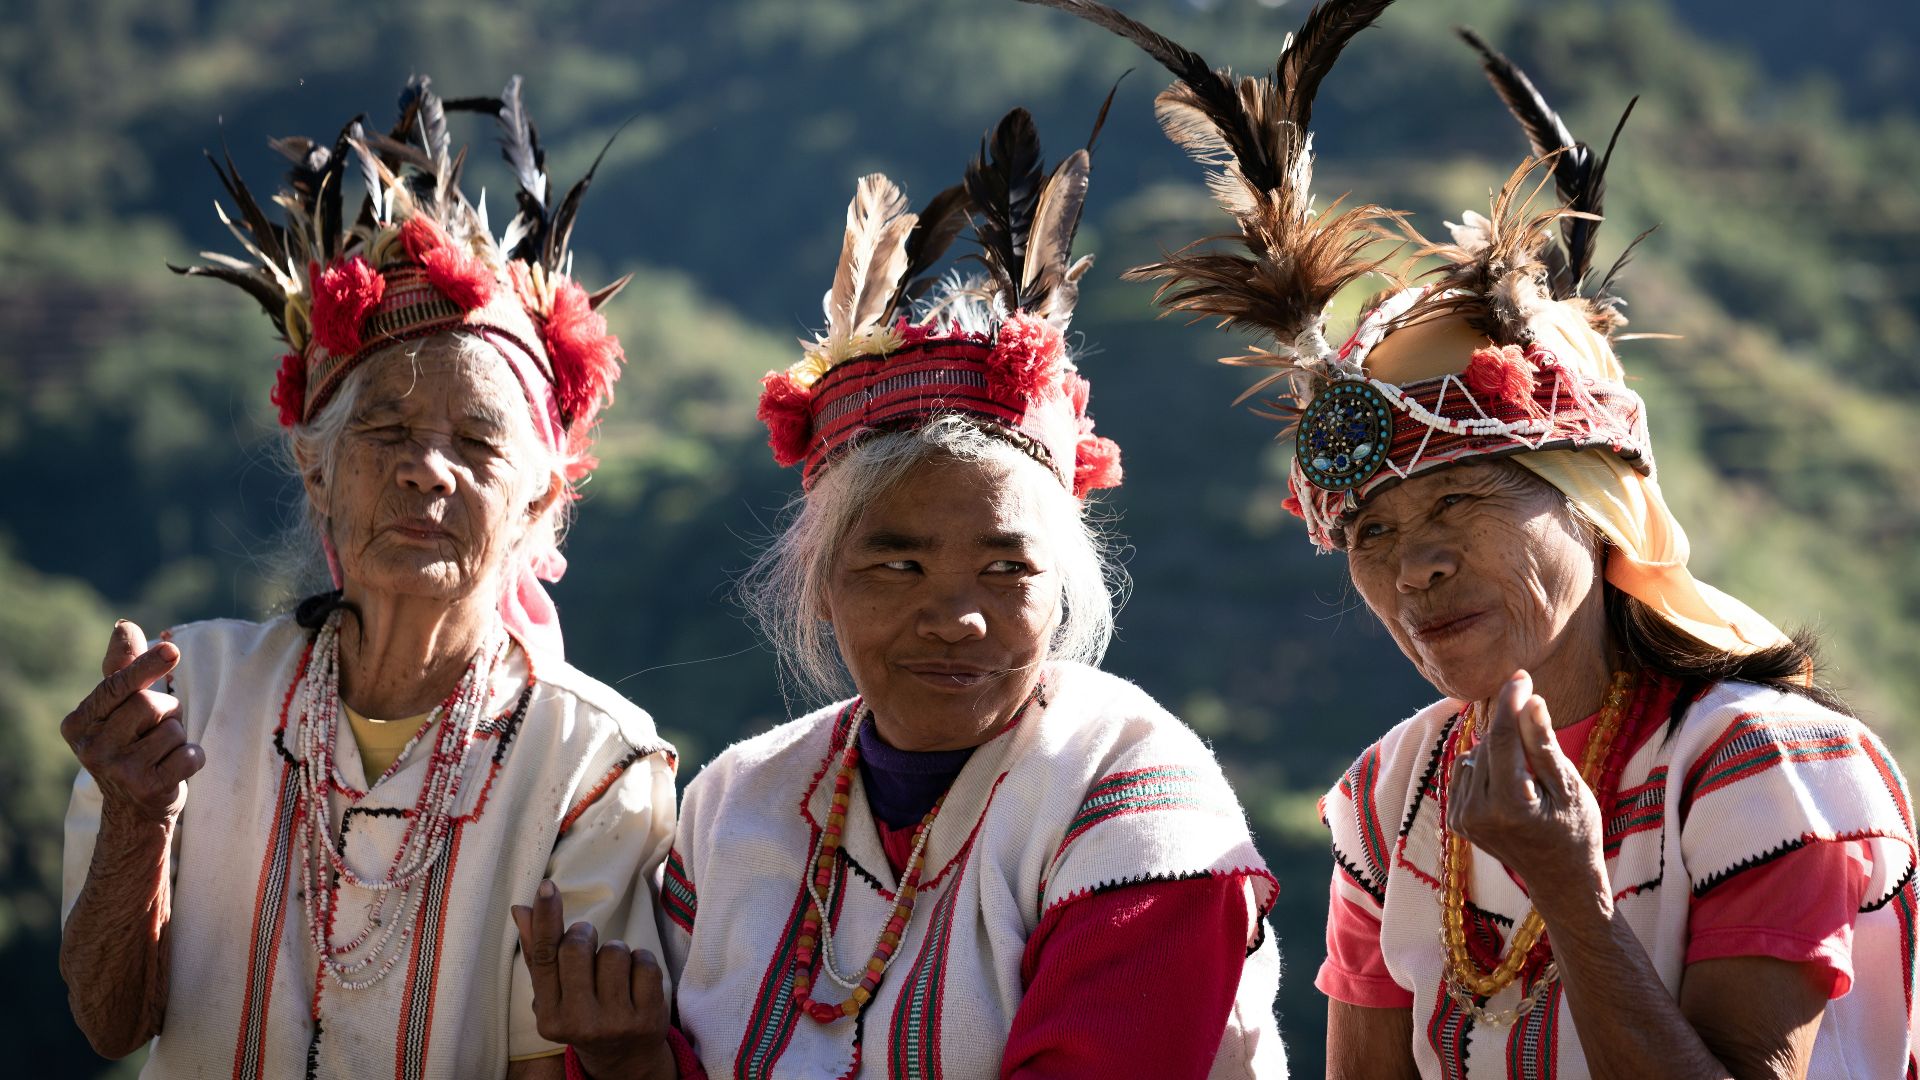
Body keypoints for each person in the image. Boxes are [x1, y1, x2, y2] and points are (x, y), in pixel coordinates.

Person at [1032, 0, 1920, 1076]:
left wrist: (1571, 893)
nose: (1415, 567)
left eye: (1459, 503)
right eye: (1371, 530)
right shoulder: (1393, 793)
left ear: (1591, 504)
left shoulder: (1760, 764)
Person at [512, 104, 1287, 1079]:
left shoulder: (1134, 805)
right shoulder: (737, 806)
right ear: (822, 584)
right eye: (897, 564)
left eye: (1009, 569)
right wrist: (628, 1058)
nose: (959, 616)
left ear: (1064, 588)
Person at [58, 76, 677, 1079]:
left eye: (477, 444)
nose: (422, 466)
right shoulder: (196, 697)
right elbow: (109, 1022)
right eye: (384, 429)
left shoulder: (593, 762)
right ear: (317, 474)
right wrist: (137, 820)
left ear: (539, 504)